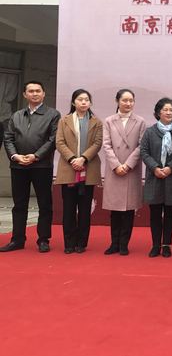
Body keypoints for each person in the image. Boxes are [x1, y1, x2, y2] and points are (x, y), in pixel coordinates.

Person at [1, 81, 60, 253]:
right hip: (18, 166)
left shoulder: (53, 114)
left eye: (38, 91)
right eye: (31, 91)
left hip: (42, 166)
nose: (34, 94)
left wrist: (36, 156)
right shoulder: (17, 115)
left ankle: (43, 239)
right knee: (19, 204)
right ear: (25, 94)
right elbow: (8, 138)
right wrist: (15, 156)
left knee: (44, 204)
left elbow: (53, 139)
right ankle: (17, 239)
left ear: (43, 94)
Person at [54, 89, 103, 254]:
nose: (83, 102)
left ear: (90, 103)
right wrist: (72, 159)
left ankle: (81, 242)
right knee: (68, 209)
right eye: (80, 99)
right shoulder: (64, 121)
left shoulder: (96, 122)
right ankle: (69, 243)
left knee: (84, 209)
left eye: (86, 100)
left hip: (88, 169)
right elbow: (60, 142)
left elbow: (97, 143)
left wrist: (83, 158)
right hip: (68, 168)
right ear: (73, 102)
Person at [140, 98, 172, 258]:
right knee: (155, 212)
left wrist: (170, 167)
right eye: (165, 110)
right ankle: (155, 245)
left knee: (170, 212)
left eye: (171, 110)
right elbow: (144, 151)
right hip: (154, 176)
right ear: (158, 112)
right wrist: (155, 167)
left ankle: (166, 244)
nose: (168, 112)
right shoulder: (150, 131)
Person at [102, 89, 146, 256]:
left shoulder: (140, 121)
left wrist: (127, 165)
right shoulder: (109, 121)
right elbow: (106, 145)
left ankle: (124, 244)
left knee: (128, 209)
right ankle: (114, 243)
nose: (128, 103)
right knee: (114, 209)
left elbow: (141, 146)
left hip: (131, 169)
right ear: (117, 101)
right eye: (124, 100)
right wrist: (116, 165)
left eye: (131, 100)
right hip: (114, 169)